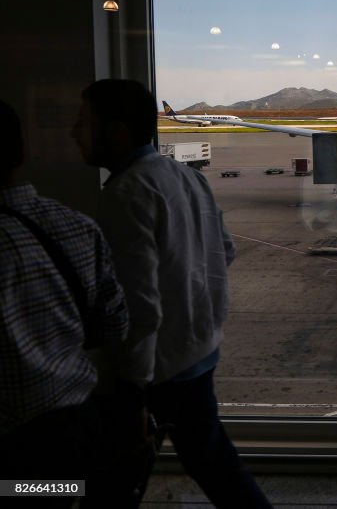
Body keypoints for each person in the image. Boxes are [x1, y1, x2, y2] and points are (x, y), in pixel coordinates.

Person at [70, 80, 272, 509]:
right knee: (211, 463)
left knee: (104, 481)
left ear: (117, 131)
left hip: (154, 373)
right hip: (198, 353)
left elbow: (137, 308)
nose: (73, 132)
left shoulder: (124, 195)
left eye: (84, 122)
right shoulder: (183, 175)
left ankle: (17, 492)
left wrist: (129, 391)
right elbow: (226, 250)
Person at [0, 99, 128, 507]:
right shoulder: (78, 226)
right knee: (59, 494)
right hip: (70, 429)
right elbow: (114, 327)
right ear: (21, 153)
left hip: (11, 445)